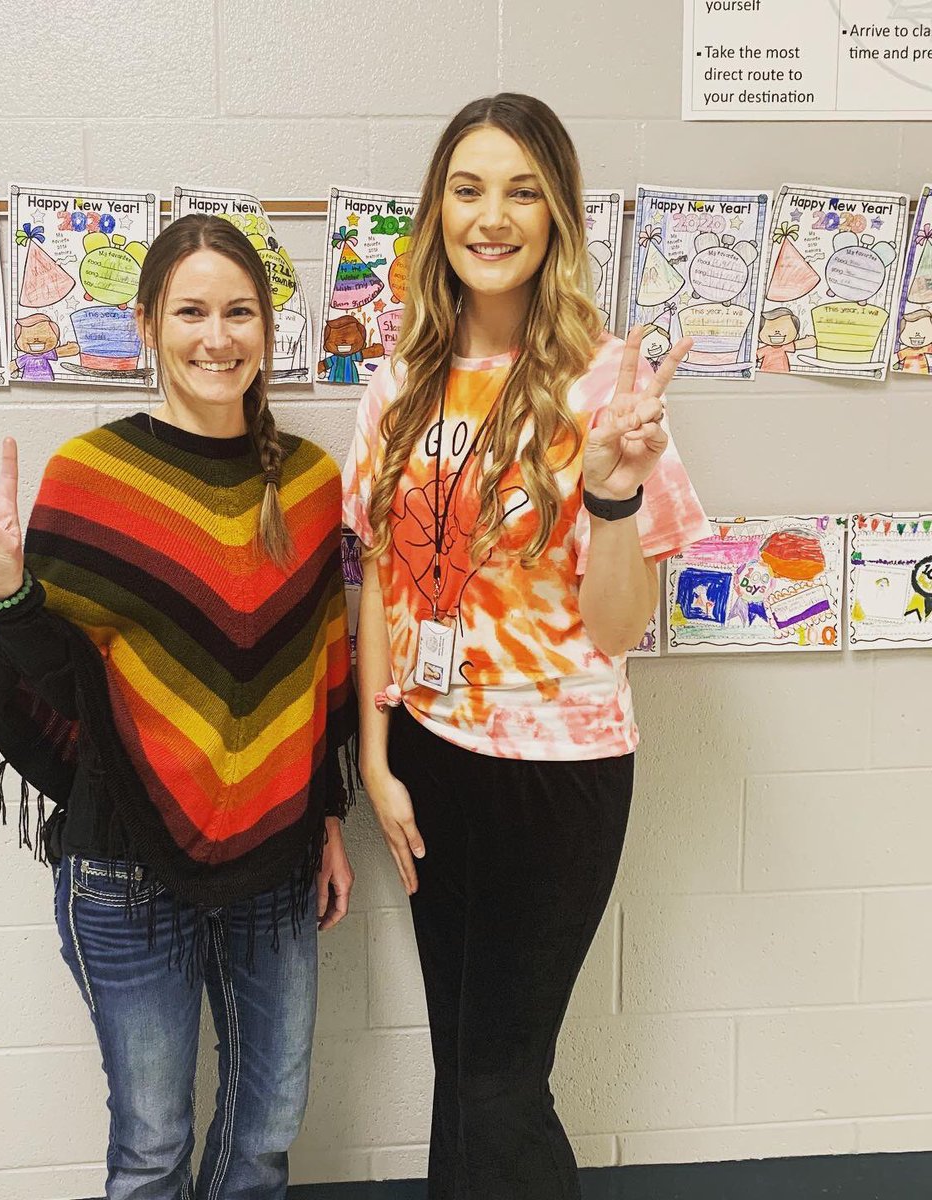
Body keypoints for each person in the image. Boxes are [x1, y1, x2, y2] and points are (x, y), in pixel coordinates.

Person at [342, 94, 708, 1200]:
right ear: (435, 212)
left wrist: (608, 495)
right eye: (466, 188)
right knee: (464, 1071)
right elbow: (379, 579)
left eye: (520, 190)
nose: (490, 216)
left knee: (503, 1080)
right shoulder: (399, 383)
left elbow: (613, 630)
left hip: (559, 772)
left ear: (557, 216)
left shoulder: (602, 387)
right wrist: (375, 753)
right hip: (433, 756)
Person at [0, 214, 356, 1200]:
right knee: (151, 1150)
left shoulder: (308, 482)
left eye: (239, 312)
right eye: (191, 312)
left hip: (277, 864)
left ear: (267, 329)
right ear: (147, 326)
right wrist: (3, 590)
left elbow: (314, 676)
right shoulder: (93, 476)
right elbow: (56, 685)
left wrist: (328, 816)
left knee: (263, 1135)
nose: (216, 337)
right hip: (123, 875)